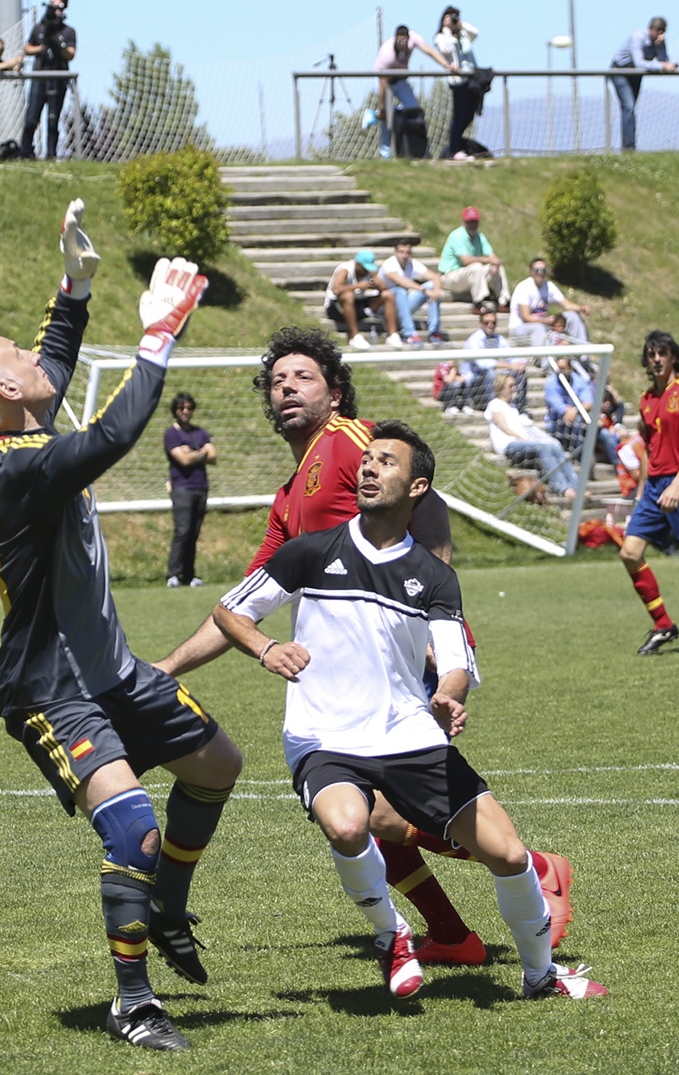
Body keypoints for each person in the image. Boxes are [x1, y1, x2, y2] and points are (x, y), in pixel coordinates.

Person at [155, 325, 573, 962]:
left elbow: (421, 499)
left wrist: (433, 617)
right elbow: (243, 607)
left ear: (335, 391)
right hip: (351, 681)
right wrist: (169, 666)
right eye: (276, 380)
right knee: (369, 811)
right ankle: (455, 937)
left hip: (416, 654)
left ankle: (531, 867)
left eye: (303, 376)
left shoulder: (351, 441)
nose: (286, 387)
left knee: (376, 811)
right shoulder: (288, 499)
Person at [0, 201, 242, 1052]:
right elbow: (116, 431)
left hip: (112, 670)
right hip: (52, 689)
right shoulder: (15, 470)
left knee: (219, 765)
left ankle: (170, 906)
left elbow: (59, 360)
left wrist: (76, 286)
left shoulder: (29, 423)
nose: (37, 361)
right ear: (7, 389)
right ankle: (133, 1003)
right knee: (134, 831)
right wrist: (160, 333)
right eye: (21, 359)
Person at [212, 421, 606, 1002]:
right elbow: (230, 612)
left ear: (417, 486)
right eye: (366, 461)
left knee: (510, 854)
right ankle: (391, 934)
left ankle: (540, 975)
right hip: (325, 734)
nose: (369, 468)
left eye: (386, 463)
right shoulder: (311, 552)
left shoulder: (433, 577)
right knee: (347, 824)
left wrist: (451, 695)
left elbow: (454, 662)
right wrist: (267, 648)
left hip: (407, 733)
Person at [618, 330, 679, 655]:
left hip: (677, 482)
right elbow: (648, 448)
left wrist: (677, 483)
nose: (656, 359)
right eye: (651, 354)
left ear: (673, 357)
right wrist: (643, 490)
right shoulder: (646, 399)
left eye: (662, 354)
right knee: (629, 552)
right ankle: (663, 624)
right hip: (655, 487)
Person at [485, 374, 577, 499]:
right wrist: (522, 438)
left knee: (555, 445)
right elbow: (504, 427)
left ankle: (576, 486)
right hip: (509, 445)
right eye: (510, 386)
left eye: (514, 385)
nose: (514, 388)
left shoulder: (513, 408)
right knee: (543, 447)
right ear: (501, 388)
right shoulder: (495, 404)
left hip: (522, 443)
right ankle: (562, 488)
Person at [373, 24, 457, 159]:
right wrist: (382, 107)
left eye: (405, 41)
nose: (403, 45)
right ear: (395, 39)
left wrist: (446, 65)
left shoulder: (413, 38)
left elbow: (429, 51)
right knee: (386, 118)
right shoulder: (386, 54)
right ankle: (386, 153)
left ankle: (414, 148)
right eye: (400, 41)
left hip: (401, 82)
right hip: (385, 83)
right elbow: (382, 82)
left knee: (414, 111)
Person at [164, 393, 216, 588]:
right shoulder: (172, 434)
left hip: (201, 487)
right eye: (181, 408)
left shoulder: (199, 432)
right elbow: (183, 460)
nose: (185, 412)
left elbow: (213, 456)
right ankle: (173, 574)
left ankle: (189, 575)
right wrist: (201, 452)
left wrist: (194, 452)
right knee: (182, 531)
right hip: (182, 488)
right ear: (175, 410)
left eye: (188, 408)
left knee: (194, 533)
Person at [21, 0, 76, 160]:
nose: (57, 12)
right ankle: (25, 151)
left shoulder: (68, 31)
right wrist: (42, 48)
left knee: (53, 120)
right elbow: (27, 48)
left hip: (58, 79)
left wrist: (59, 45)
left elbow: (71, 55)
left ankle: (51, 154)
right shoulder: (39, 29)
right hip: (39, 78)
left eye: (60, 9)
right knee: (31, 118)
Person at [609, 16, 676, 151]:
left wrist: (660, 47)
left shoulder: (658, 41)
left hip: (635, 75)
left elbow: (663, 59)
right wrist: (663, 66)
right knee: (629, 107)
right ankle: (628, 148)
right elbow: (639, 62)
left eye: (663, 31)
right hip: (620, 72)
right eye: (659, 31)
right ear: (652, 29)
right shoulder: (637, 37)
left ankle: (631, 146)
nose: (661, 34)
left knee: (632, 109)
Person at [434, 6, 488, 159]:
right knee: (459, 116)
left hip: (472, 79)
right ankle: (454, 149)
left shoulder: (463, 33)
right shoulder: (440, 36)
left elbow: (476, 33)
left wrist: (460, 25)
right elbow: (446, 49)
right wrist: (447, 30)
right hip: (458, 81)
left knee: (469, 115)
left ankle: (457, 146)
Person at [323, 249, 403, 351]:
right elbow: (336, 290)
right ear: (357, 264)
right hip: (338, 307)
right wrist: (357, 286)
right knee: (348, 295)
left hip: (358, 304)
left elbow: (383, 287)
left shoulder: (369, 273)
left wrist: (376, 285)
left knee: (388, 295)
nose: (365, 271)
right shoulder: (345, 270)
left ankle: (392, 334)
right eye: (364, 268)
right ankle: (354, 336)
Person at [437, 206, 511, 310]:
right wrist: (489, 260)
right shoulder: (457, 236)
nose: (472, 225)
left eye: (475, 222)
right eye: (469, 222)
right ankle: (478, 302)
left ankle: (504, 301)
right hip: (450, 277)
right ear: (464, 222)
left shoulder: (479, 236)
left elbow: (491, 255)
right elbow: (466, 260)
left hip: (467, 276)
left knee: (499, 268)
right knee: (476, 267)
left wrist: (495, 264)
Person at [508, 258, 591, 349]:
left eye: (543, 270)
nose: (540, 273)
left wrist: (581, 308)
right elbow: (526, 317)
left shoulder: (548, 286)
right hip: (520, 329)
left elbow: (566, 304)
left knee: (572, 316)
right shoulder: (524, 287)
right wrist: (545, 321)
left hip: (543, 325)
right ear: (531, 272)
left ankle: (583, 353)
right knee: (538, 327)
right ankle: (544, 361)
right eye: (537, 270)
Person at [377, 239, 444, 345]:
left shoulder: (412, 263)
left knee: (431, 286)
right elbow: (400, 280)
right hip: (385, 308)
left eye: (407, 253)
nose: (404, 255)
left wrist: (435, 291)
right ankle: (409, 333)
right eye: (401, 252)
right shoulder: (389, 264)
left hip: (403, 305)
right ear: (395, 252)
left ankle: (434, 332)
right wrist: (424, 290)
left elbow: (435, 277)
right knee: (399, 291)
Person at [464, 303, 528, 410]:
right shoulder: (474, 340)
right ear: (480, 323)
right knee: (490, 373)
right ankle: (494, 409)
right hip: (473, 382)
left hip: (491, 376)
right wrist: (510, 366)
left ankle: (519, 409)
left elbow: (511, 355)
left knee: (520, 372)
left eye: (493, 322)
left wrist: (520, 363)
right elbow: (483, 364)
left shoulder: (498, 338)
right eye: (486, 322)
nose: (490, 325)